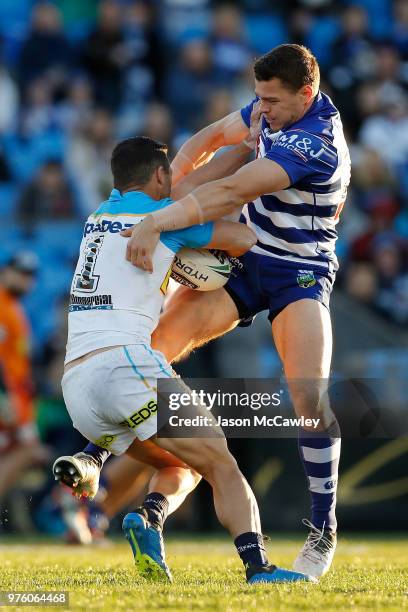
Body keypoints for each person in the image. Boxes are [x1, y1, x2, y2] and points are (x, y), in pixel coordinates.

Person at [121, 44, 351, 579]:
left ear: (306, 95)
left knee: (308, 398)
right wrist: (163, 195)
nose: (261, 110)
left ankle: (323, 530)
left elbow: (229, 190)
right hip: (246, 258)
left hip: (300, 271)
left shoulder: (315, 143)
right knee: (148, 354)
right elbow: (208, 140)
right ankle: (110, 474)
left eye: (271, 101)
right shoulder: (273, 105)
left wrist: (157, 223)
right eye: (258, 99)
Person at [53, 135, 313, 584]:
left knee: (182, 466)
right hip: (127, 364)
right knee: (222, 465)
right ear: (160, 175)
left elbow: (180, 194)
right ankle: (258, 568)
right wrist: (194, 255)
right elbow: (241, 237)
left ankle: (146, 516)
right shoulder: (164, 221)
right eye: (170, 174)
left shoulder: (99, 214)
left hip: (76, 385)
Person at [0, 252, 48, 503]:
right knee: (28, 449)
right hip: (6, 395)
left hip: (17, 395)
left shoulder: (13, 307)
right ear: (5, 271)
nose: (24, 280)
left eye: (29, 276)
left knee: (24, 450)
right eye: (20, 272)